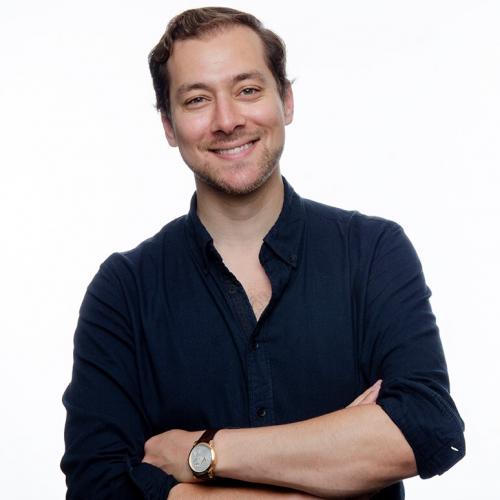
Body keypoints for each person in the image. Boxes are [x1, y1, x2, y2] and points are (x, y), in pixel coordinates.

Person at [61, 7, 465, 499]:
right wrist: (331, 466)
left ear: (286, 100)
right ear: (168, 125)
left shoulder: (373, 252)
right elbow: (97, 487)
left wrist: (201, 454)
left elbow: (427, 428)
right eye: (197, 100)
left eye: (248, 90)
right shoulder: (123, 291)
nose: (227, 120)